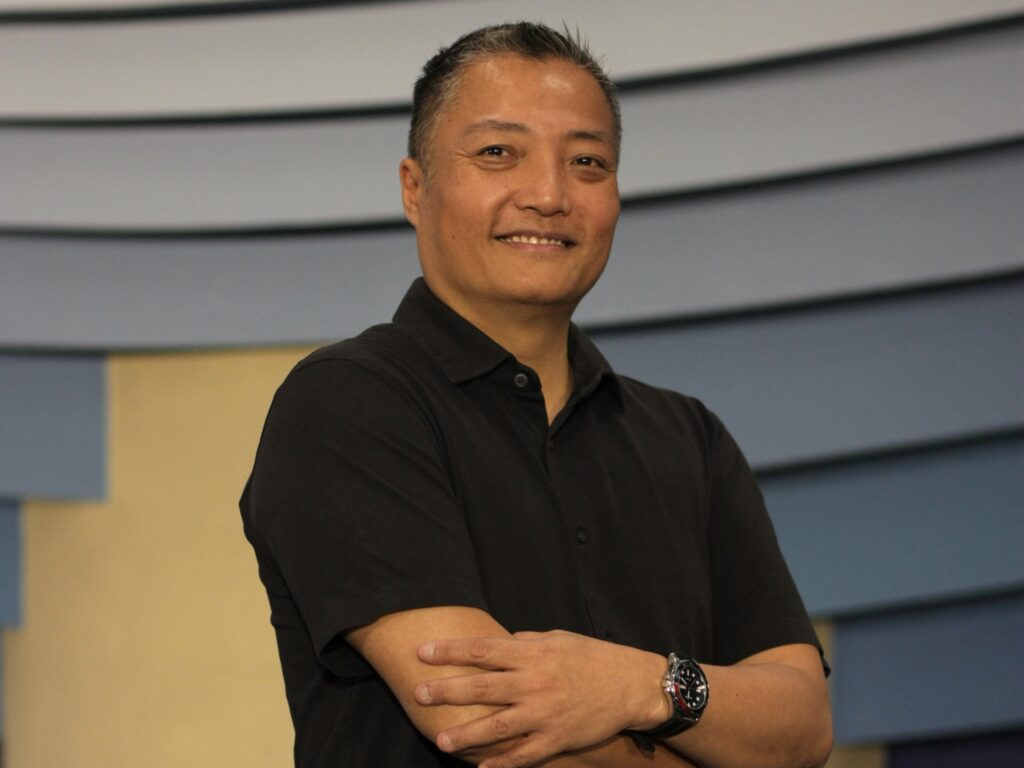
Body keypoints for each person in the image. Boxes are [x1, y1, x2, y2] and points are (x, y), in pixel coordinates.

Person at [241, 22, 832, 768]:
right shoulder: (347, 403)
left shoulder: (689, 437)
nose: (550, 195)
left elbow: (804, 724)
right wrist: (723, 729)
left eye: (587, 162)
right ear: (415, 187)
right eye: (498, 152)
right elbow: (480, 718)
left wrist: (643, 685)